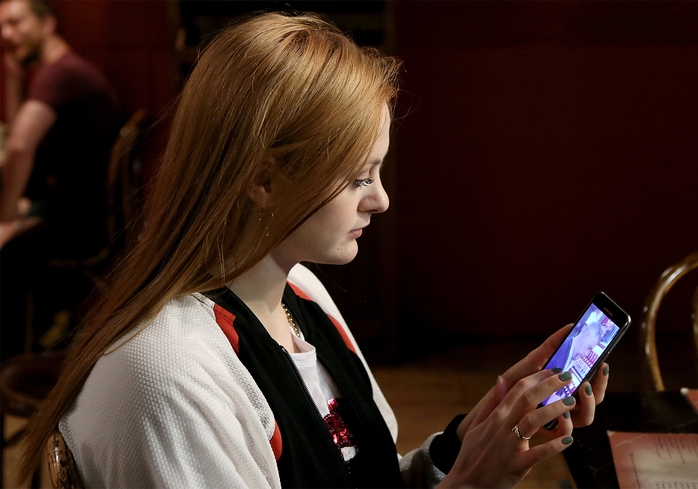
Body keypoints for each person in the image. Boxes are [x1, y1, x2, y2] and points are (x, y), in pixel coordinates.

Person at [18, 12, 609, 488]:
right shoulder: (168, 373)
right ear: (263, 179)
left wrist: (468, 443)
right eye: (358, 178)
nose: (380, 201)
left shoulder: (300, 291)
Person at [0, 0, 122, 359]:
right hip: (78, 211)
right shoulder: (62, 70)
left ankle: (12, 360)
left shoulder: (62, 74)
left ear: (48, 23)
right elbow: (19, 134)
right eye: (1, 27)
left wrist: (7, 216)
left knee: (5, 249)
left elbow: (19, 146)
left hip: (78, 223)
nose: (6, 34)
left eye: (16, 23)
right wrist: (13, 78)